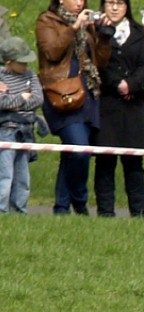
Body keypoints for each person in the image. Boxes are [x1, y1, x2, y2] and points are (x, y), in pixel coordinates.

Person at [35, 0, 114, 215]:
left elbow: (100, 61)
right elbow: (52, 52)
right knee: (78, 150)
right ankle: (80, 200)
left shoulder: (88, 25)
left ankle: (62, 207)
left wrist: (104, 36)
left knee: (74, 153)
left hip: (88, 94)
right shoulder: (47, 21)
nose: (79, 3)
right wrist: (74, 28)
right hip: (62, 94)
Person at [92, 0, 144, 218]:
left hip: (133, 104)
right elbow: (98, 63)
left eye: (119, 3)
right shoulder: (96, 30)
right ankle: (105, 213)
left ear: (126, 6)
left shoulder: (137, 32)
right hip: (108, 103)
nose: (115, 8)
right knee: (105, 162)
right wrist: (117, 83)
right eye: (110, 3)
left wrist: (131, 84)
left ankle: (138, 213)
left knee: (134, 163)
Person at [0, 38, 44, 214]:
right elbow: (1, 102)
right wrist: (21, 99)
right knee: (5, 174)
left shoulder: (31, 76)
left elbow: (37, 99)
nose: (26, 66)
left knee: (22, 176)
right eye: (21, 62)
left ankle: (20, 210)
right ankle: (2, 211)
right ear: (9, 62)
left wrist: (15, 103)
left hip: (25, 131)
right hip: (5, 132)